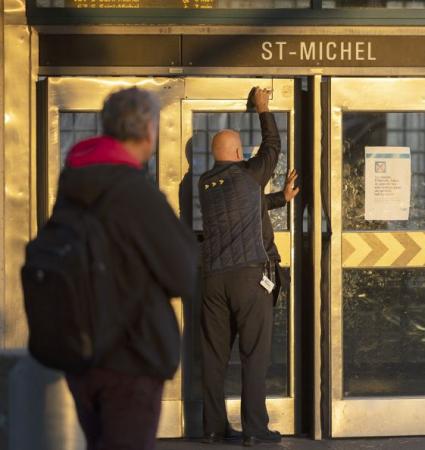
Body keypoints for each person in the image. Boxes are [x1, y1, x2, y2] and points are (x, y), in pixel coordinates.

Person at [56, 87, 199, 450]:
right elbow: (183, 273)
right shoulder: (134, 191)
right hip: (129, 355)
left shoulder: (73, 184)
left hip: (80, 350)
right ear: (149, 130)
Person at [199, 87, 299, 447]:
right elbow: (273, 146)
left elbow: (243, 211)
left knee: (213, 357)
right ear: (240, 153)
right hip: (248, 278)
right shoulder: (248, 173)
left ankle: (212, 428)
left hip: (213, 280)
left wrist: (280, 199)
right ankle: (255, 430)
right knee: (254, 355)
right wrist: (263, 108)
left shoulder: (206, 183)